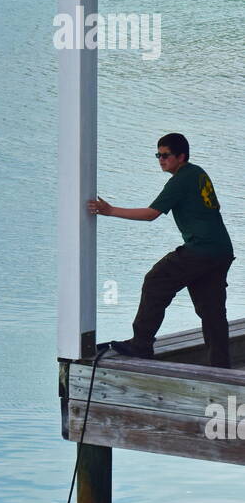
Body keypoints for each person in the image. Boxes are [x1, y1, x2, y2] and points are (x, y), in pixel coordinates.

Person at [87, 133, 235, 368]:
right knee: (211, 310)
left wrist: (110, 210)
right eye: (158, 155)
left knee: (156, 281)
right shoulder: (197, 173)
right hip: (220, 250)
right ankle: (220, 364)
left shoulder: (181, 179)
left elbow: (150, 214)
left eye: (165, 155)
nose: (161, 160)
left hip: (200, 249)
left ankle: (141, 344)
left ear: (181, 156)